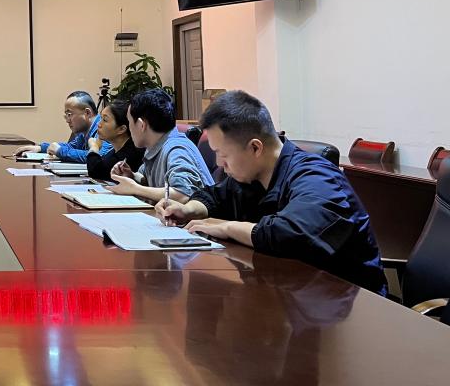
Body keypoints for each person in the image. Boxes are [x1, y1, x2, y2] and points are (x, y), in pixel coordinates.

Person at [156, 90, 386, 295]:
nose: (219, 164)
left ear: (255, 147)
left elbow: (291, 233)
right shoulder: (250, 176)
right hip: (288, 294)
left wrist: (227, 227)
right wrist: (188, 209)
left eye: (223, 155)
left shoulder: (317, 177)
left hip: (347, 305)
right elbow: (215, 196)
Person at [109, 87, 214, 202]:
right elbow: (153, 182)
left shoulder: (177, 149)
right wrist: (132, 176)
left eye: (129, 122)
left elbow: (183, 194)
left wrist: (135, 189)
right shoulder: (155, 146)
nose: (129, 128)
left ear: (141, 125)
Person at [14, 91, 106, 162]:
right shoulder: (84, 132)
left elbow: (97, 157)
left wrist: (59, 151)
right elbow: (71, 147)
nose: (67, 120)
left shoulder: (104, 129)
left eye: (69, 114)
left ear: (87, 113)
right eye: (66, 115)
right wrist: (41, 148)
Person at [86, 99, 144, 180]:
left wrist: (94, 147)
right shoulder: (117, 149)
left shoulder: (132, 152)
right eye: (101, 118)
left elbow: (96, 171)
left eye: (105, 120)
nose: (99, 124)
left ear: (121, 129)